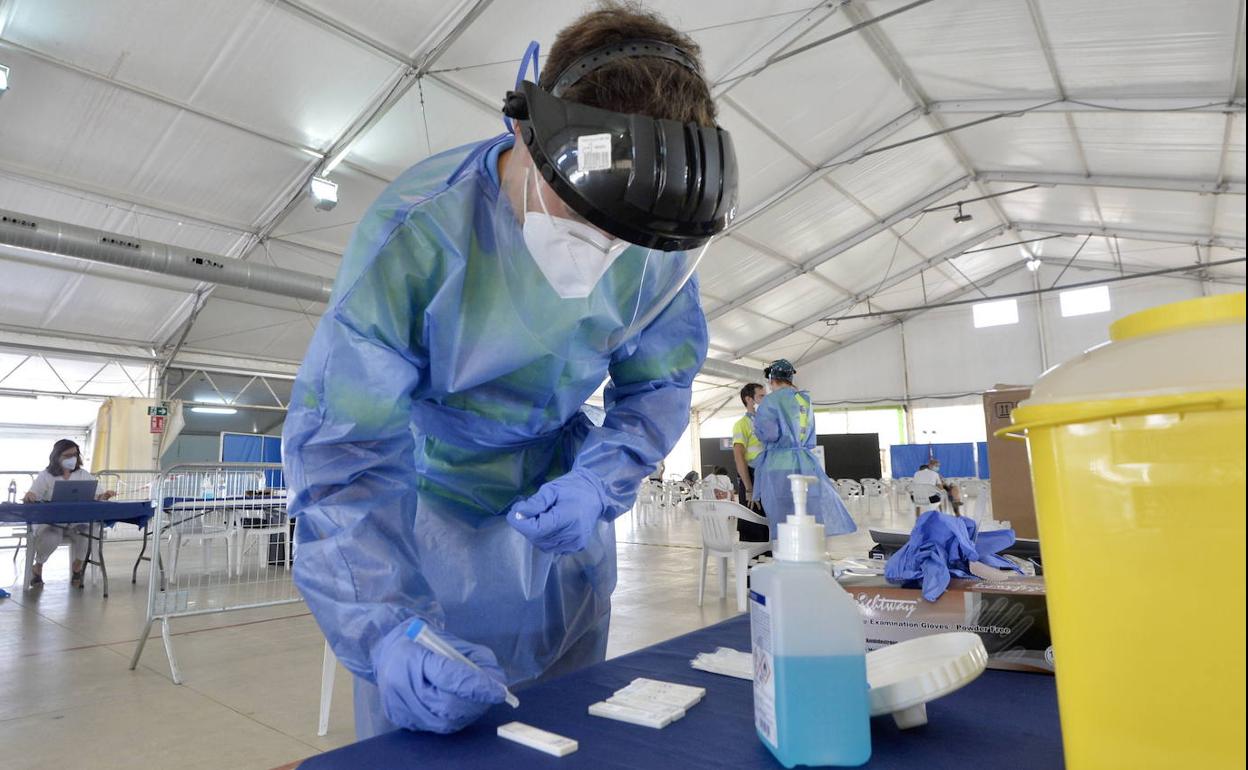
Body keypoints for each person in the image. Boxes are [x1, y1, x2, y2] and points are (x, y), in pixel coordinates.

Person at [282, 3, 737, 739]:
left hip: (561, 514)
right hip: (419, 524)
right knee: (428, 734)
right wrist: (386, 627)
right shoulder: (420, 232)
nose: (599, 249)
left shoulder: (660, 242)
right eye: (582, 212)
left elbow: (658, 383)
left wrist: (599, 481)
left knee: (573, 726)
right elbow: (344, 452)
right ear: (525, 129)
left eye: (623, 238)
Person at [752, 360, 855, 540]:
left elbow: (770, 434)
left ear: (771, 379)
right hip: (805, 462)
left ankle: (785, 555)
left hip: (778, 465)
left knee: (782, 517)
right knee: (806, 511)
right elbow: (810, 434)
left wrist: (757, 427)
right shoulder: (805, 399)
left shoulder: (770, 401)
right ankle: (807, 550)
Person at [23, 439, 115, 588]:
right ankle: (38, 566)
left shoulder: (83, 474)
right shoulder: (46, 475)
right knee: (51, 537)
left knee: (89, 532)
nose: (72, 458)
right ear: (57, 456)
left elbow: (97, 495)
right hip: (52, 523)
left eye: (75, 454)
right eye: (67, 455)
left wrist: (104, 496)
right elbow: (33, 495)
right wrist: (30, 496)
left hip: (77, 522)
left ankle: (77, 567)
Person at [731, 382, 768, 542]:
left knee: (768, 524)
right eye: (761, 396)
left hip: (767, 477)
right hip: (751, 478)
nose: (765, 400)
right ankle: (751, 566)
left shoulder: (767, 423)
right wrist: (749, 488)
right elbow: (739, 457)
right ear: (749, 399)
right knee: (753, 526)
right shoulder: (742, 425)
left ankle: (769, 564)